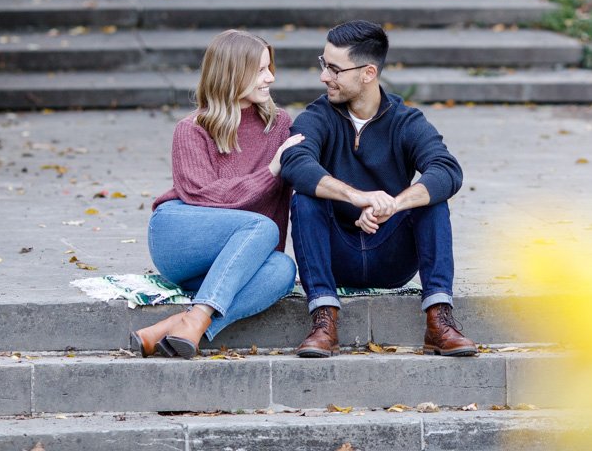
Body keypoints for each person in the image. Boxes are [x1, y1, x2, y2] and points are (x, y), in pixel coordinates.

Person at [279, 20, 477, 358]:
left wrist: (393, 205)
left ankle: (439, 319)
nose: (324, 76)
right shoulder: (318, 115)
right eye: (323, 64)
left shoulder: (406, 121)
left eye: (334, 69)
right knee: (305, 199)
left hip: (391, 256)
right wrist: (357, 197)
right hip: (335, 253)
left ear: (368, 73)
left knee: (432, 200)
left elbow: (447, 170)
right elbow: (294, 161)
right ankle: (324, 320)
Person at [130, 29, 304, 358]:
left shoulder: (279, 125)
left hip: (232, 256)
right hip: (179, 236)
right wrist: (271, 171)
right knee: (261, 226)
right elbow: (205, 196)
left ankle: (186, 323)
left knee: (282, 269)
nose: (270, 78)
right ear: (232, 73)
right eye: (260, 70)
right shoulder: (192, 129)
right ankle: (191, 321)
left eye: (270, 68)